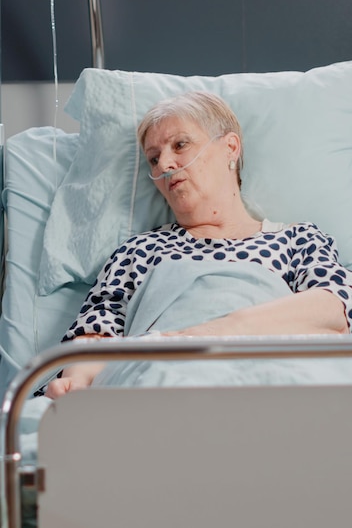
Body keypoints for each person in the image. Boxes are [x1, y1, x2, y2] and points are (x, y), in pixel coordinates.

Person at [46, 91, 352, 398]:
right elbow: (96, 333)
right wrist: (75, 381)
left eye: (180, 145)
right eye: (154, 158)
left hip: (275, 380)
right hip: (160, 383)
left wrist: (203, 336)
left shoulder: (297, 240)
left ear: (230, 147)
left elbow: (334, 307)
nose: (164, 164)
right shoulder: (139, 250)